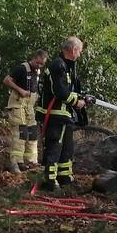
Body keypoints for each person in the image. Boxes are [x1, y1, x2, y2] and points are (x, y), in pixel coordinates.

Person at [39, 36, 89, 191]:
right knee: (55, 147)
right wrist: (77, 102)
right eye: (79, 51)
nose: (80, 55)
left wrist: (83, 97)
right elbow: (60, 92)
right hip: (55, 115)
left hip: (64, 115)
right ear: (73, 50)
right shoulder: (58, 65)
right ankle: (50, 182)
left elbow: (70, 89)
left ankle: (64, 178)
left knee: (67, 149)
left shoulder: (67, 66)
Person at [3, 49, 49, 173]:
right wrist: (20, 90)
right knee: (20, 133)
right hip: (18, 105)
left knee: (32, 133)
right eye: (37, 63)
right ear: (33, 58)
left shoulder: (37, 72)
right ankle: (16, 162)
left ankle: (31, 161)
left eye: (42, 64)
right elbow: (6, 80)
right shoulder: (22, 68)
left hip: (29, 108)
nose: (39, 66)